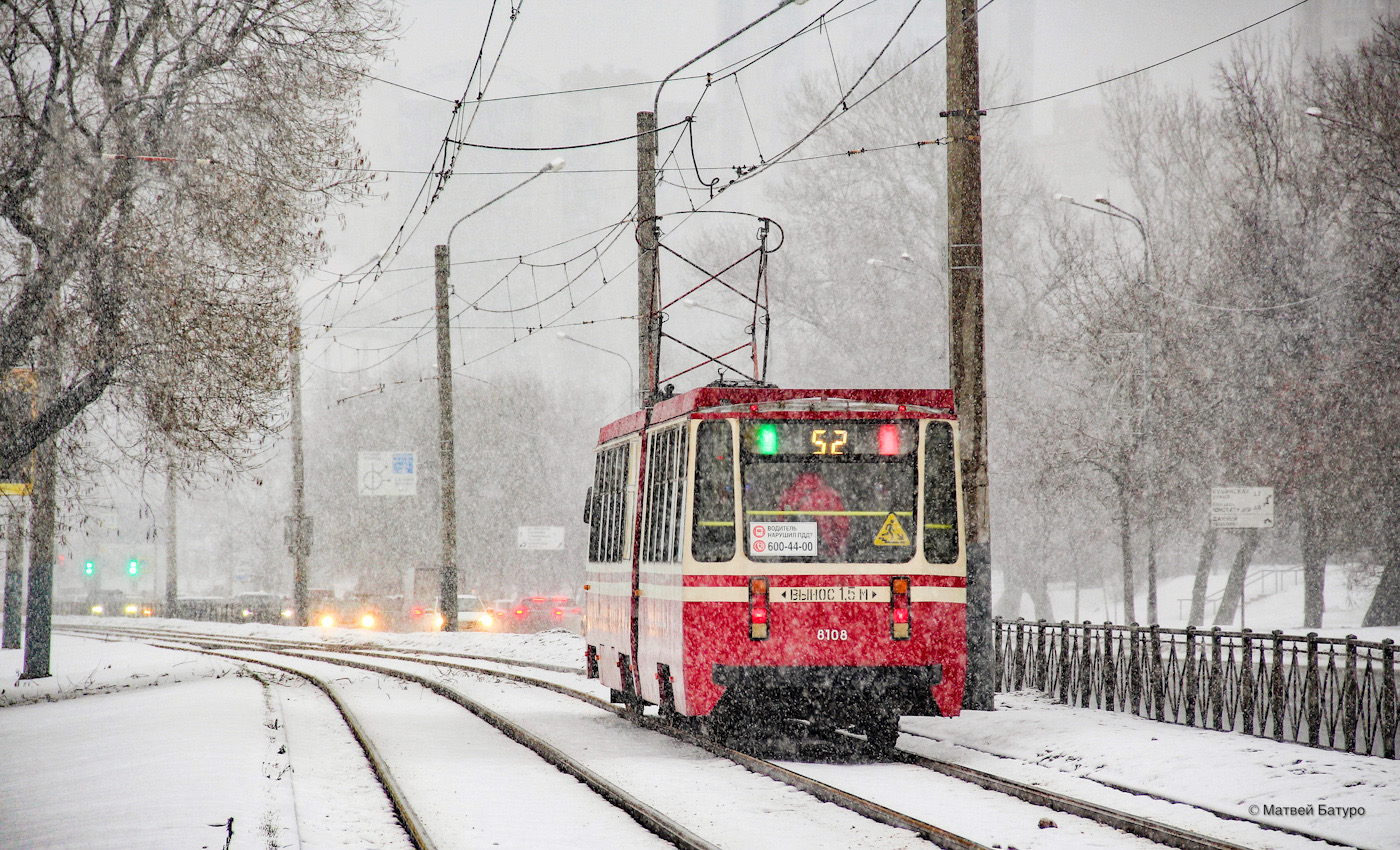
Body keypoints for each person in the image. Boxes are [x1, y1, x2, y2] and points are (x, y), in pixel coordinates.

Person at [778, 471, 849, 558]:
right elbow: (842, 525)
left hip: (792, 550)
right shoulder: (829, 494)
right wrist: (837, 548)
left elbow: (779, 522)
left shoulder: (789, 494)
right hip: (823, 551)